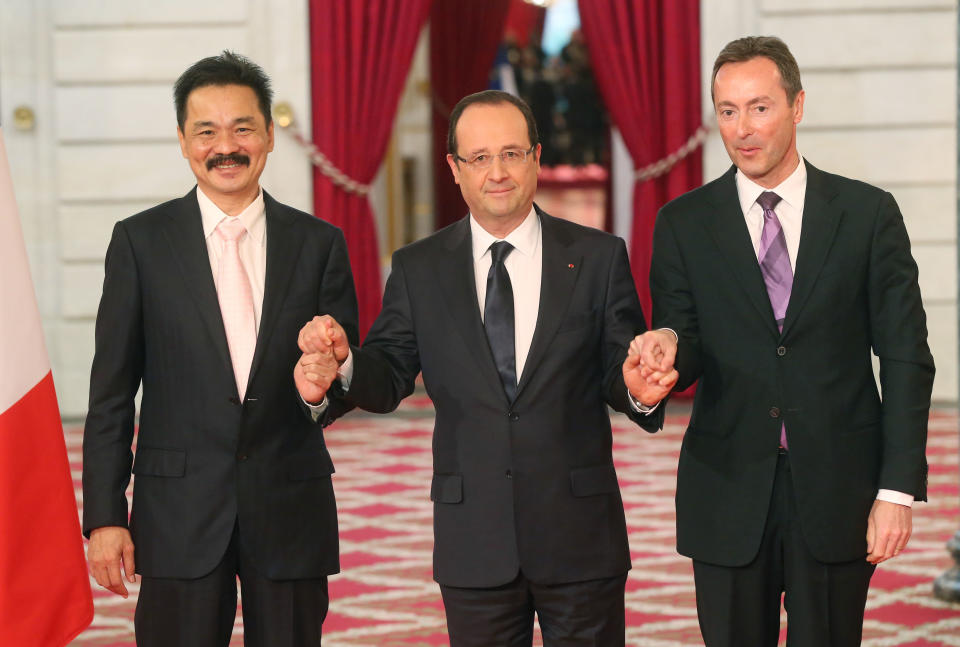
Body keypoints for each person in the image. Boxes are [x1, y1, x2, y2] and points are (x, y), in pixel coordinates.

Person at [298, 90, 677, 646]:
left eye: (512, 153)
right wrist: (344, 363)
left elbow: (619, 372)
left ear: (537, 157)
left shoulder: (597, 257)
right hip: (473, 536)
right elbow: (389, 376)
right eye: (478, 158)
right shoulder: (419, 268)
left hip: (579, 535)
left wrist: (638, 388)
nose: (497, 172)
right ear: (454, 169)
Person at [636, 36, 934, 646]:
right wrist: (661, 361)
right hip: (725, 490)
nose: (742, 129)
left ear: (798, 106)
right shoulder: (683, 223)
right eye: (726, 110)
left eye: (760, 107)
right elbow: (682, 340)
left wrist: (896, 489)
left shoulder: (868, 214)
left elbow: (906, 357)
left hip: (838, 490)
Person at [81, 50, 358, 647]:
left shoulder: (320, 245)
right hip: (177, 512)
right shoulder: (139, 243)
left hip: (290, 509)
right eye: (206, 131)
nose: (225, 146)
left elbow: (339, 387)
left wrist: (325, 383)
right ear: (183, 140)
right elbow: (110, 393)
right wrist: (105, 516)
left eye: (242, 129)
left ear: (268, 137)